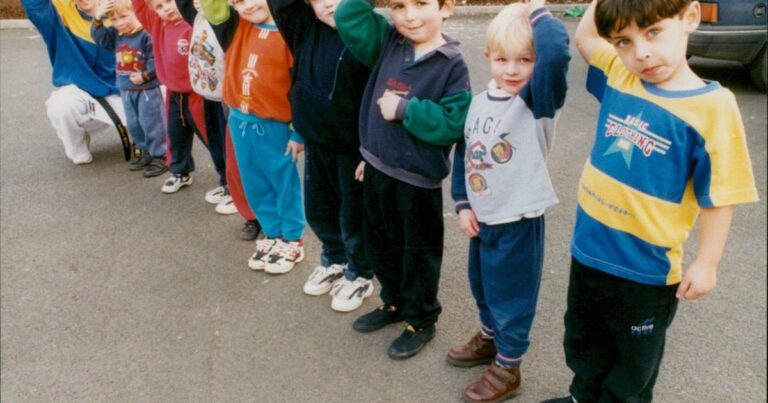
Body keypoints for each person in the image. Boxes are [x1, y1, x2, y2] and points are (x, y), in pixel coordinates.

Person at [543, 1, 759, 402]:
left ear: (689, 17)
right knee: (584, 340)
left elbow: (721, 194)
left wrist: (707, 262)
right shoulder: (621, 74)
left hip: (644, 271)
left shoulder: (713, 107)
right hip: (589, 252)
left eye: (653, 32)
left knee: (633, 364)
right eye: (624, 40)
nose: (639, 52)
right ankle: (583, 396)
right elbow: (587, 37)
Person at [335, 0, 471, 358]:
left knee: (417, 255)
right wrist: (370, 156)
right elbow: (348, 16)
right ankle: (394, 302)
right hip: (377, 169)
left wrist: (406, 110)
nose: (409, 16)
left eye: (421, 4)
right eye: (398, 6)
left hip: (416, 182)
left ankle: (422, 319)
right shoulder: (390, 41)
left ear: (447, 7)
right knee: (380, 246)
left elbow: (454, 123)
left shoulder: (451, 64)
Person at [447, 2, 569, 401]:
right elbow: (466, 152)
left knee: (511, 296)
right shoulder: (480, 101)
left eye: (524, 60)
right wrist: (463, 203)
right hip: (483, 217)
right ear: (488, 57)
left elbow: (554, 50)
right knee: (482, 286)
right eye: (502, 59)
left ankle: (509, 365)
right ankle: (488, 338)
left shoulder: (537, 101)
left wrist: (535, 9)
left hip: (518, 219)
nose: (513, 69)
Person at [266, 0, 373, 311]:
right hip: (316, 141)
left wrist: (371, 150)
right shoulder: (304, 29)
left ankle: (360, 272)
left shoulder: (368, 37)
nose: (328, 2)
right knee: (320, 208)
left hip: (354, 149)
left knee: (353, 214)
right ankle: (335, 259)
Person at [200, 0, 307, 274]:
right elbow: (213, 7)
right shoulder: (237, 27)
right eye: (236, 2)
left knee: (282, 182)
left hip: (274, 126)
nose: (244, 6)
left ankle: (292, 238)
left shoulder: (290, 32)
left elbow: (299, 87)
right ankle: (272, 233)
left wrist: (298, 130)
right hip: (239, 121)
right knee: (254, 182)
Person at [130, 0, 224, 196]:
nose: (167, 9)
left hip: (198, 95)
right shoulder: (158, 25)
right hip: (174, 94)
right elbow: (140, 7)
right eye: (160, 7)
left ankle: (228, 182)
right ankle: (180, 171)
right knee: (175, 137)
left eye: (169, 2)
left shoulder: (194, 22)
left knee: (214, 140)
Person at [22, 0, 127, 165]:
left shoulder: (123, 11)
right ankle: (78, 146)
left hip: (127, 90)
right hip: (82, 94)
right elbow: (35, 5)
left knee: (164, 93)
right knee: (60, 105)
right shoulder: (59, 15)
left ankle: (148, 139)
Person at [175, 0, 244, 216]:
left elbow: (217, 10)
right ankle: (225, 183)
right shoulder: (197, 18)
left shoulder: (226, 21)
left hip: (227, 99)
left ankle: (237, 192)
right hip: (208, 96)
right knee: (216, 147)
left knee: (232, 149)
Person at [91, 0, 169, 177]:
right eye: (114, 19)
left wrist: (145, 75)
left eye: (124, 16)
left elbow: (157, 58)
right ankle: (145, 152)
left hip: (147, 89)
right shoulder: (117, 35)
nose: (120, 23)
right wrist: (97, 18)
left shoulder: (146, 34)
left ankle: (161, 154)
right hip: (126, 89)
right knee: (134, 124)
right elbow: (100, 38)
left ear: (136, 13)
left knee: (152, 122)